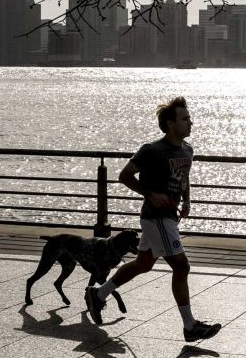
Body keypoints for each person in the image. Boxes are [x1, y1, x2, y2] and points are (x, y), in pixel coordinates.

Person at [85, 96, 222, 342]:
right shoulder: (152, 150)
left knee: (143, 265)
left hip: (168, 216)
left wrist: (187, 200)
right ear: (170, 124)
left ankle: (98, 296)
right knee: (181, 266)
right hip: (156, 217)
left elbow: (183, 176)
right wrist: (151, 194)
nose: (191, 123)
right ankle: (190, 326)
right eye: (185, 118)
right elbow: (125, 175)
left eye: (189, 118)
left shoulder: (187, 149)